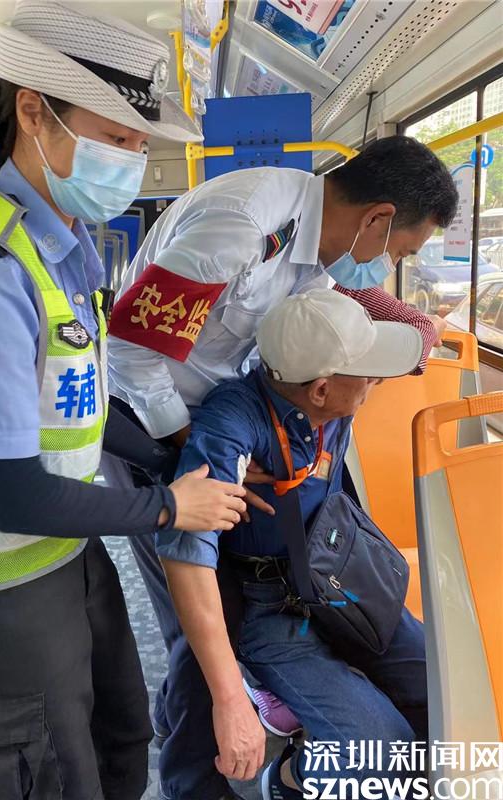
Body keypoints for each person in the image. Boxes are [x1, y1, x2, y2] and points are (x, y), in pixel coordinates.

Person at [0, 3, 247, 799]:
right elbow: (12, 493)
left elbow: (79, 404)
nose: (131, 162)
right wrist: (171, 507)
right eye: (115, 138)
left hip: (63, 554)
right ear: (33, 112)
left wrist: (174, 457)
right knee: (52, 781)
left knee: (123, 740)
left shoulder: (63, 250)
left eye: (140, 145)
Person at [107, 137, 457, 798]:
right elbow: (130, 352)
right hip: (153, 423)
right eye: (401, 253)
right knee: (199, 628)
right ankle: (197, 777)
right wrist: (194, 445)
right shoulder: (239, 227)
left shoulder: (316, 247)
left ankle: (255, 707)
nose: (390, 268)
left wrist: (410, 325)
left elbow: (327, 301)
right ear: (378, 220)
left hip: (216, 415)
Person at [157, 289, 428, 800]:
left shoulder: (325, 393)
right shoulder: (233, 421)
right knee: (378, 750)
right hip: (277, 610)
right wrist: (229, 700)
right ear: (321, 389)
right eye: (367, 371)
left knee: (444, 692)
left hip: (345, 580)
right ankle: (290, 780)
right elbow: (185, 553)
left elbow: (418, 340)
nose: (377, 381)